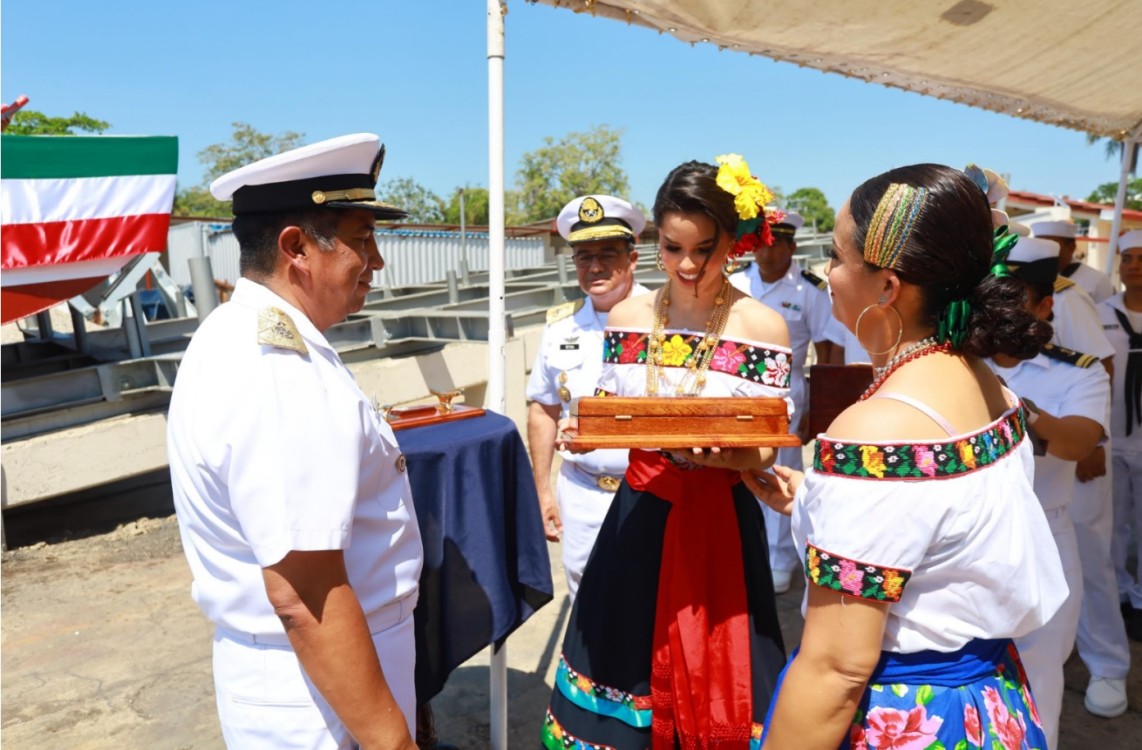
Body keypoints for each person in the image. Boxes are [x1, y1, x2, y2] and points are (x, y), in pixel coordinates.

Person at [746, 164, 1067, 750]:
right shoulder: (982, 379)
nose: (829, 274)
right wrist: (814, 503)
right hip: (986, 702)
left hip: (909, 719)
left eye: (838, 258)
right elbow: (945, 535)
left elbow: (836, 670)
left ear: (888, 286)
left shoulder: (879, 433)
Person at [168, 133, 422, 750]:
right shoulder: (277, 367)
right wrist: (394, 743)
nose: (378, 261)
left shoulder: (251, 335)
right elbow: (303, 592)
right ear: (296, 247)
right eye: (363, 240)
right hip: (321, 695)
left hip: (316, 678)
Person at [542, 155, 793, 749]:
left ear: (734, 242)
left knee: (723, 672)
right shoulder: (629, 315)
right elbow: (614, 409)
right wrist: (585, 429)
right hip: (640, 515)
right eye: (672, 247)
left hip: (719, 525)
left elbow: (766, 447)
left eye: (703, 249)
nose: (685, 265)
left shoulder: (761, 326)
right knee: (622, 664)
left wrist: (728, 456)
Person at [988, 236, 1111, 747]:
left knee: (1037, 683)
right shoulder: (950, 367)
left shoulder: (1075, 373)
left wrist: (1023, 410)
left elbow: (1080, 441)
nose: (1006, 313)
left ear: (1045, 305)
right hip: (964, 539)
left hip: (1045, 535)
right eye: (998, 299)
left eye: (1020, 300)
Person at [526, 194, 651, 600]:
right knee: (587, 602)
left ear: (632, 258)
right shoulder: (560, 328)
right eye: (583, 256)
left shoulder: (666, 319)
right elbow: (543, 408)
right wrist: (542, 490)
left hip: (650, 493)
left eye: (607, 254)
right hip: (580, 492)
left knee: (649, 603)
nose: (594, 267)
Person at [1028, 222, 1126, 717]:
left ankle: (1108, 662)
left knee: (1090, 553)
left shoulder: (1069, 296)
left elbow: (1100, 366)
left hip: (1065, 456)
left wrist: (1091, 443)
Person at [730, 209, 837, 594]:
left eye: (778, 246)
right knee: (736, 472)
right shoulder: (735, 283)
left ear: (792, 247)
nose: (769, 254)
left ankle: (779, 558)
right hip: (736, 395)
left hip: (786, 399)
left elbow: (828, 353)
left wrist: (819, 413)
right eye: (763, 246)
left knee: (779, 473)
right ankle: (743, 550)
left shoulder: (809, 290)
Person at [1101, 229, 1142, 643]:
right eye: (1127, 258)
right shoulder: (1101, 312)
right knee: (1113, 522)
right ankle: (1116, 595)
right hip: (1112, 432)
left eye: (1141, 258)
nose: (1132, 266)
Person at [1033, 219, 1116, 303]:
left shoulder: (1097, 281)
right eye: (1038, 245)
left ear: (1071, 248)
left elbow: (1106, 315)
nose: (1042, 251)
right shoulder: (1030, 278)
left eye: (1050, 246)